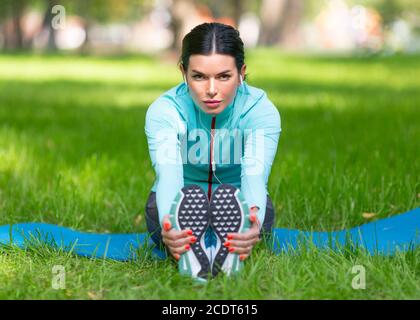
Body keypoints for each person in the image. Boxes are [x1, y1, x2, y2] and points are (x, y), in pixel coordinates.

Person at [144, 22, 281, 281]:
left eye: (223, 76)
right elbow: (168, 174)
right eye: (199, 76)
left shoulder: (260, 111)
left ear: (242, 72)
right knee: (163, 212)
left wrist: (253, 221)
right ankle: (192, 248)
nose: (211, 90)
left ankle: (230, 245)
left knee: (257, 214)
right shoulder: (164, 111)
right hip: (183, 202)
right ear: (183, 72)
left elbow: (255, 174)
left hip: (235, 202)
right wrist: (169, 224)